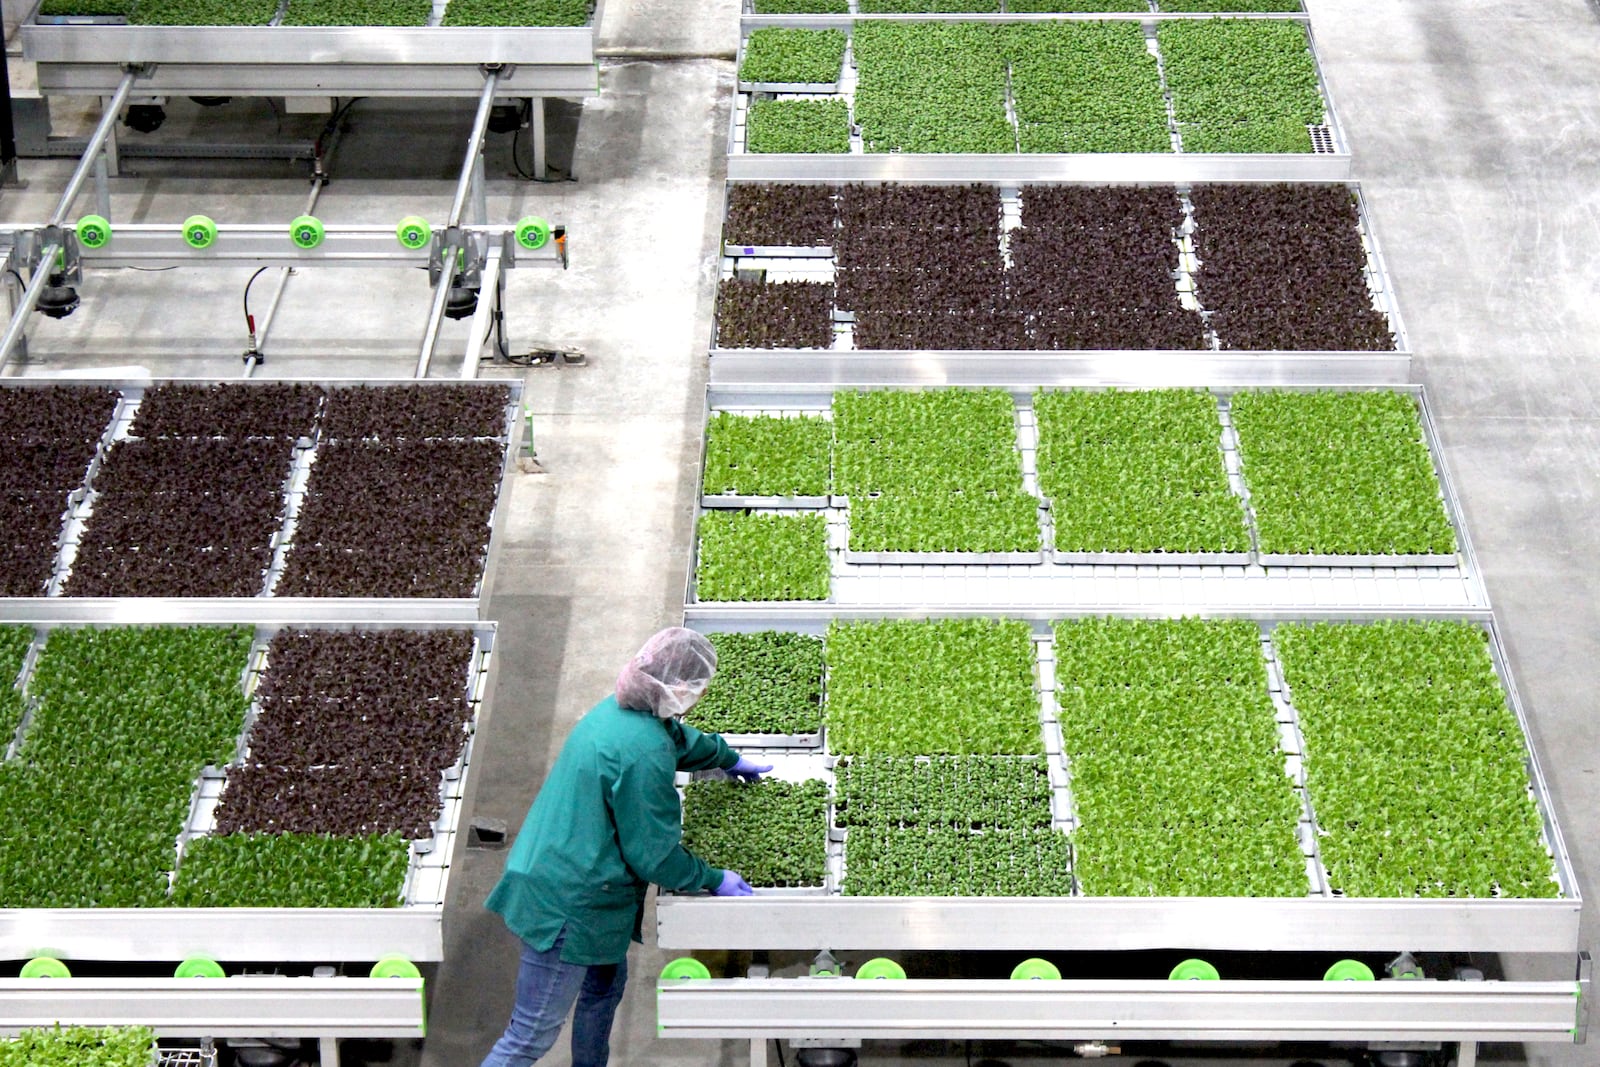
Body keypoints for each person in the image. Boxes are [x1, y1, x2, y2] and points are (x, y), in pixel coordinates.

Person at [479, 626, 772, 1067]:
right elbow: (653, 854)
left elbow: (676, 739)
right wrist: (712, 879)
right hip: (569, 902)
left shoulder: (620, 712)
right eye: (698, 687)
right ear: (675, 688)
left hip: (577, 878)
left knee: (605, 987)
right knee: (529, 1035)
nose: (702, 694)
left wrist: (725, 756)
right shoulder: (644, 752)